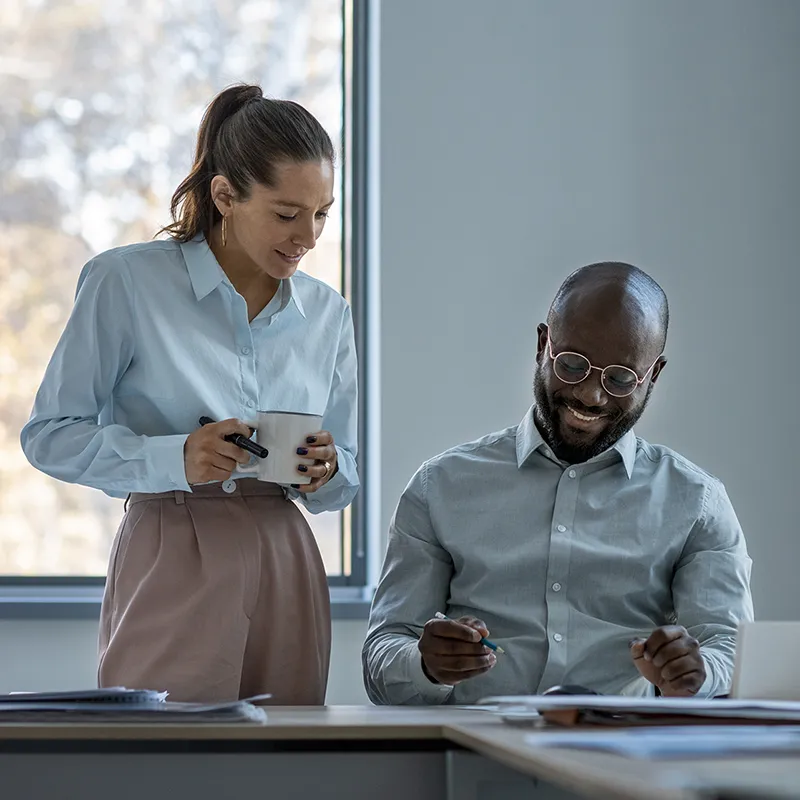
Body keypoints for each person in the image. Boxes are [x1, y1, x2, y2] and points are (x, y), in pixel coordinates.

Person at [21, 84, 359, 705]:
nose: (307, 236)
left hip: (286, 556)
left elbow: (345, 482)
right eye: (287, 214)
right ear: (225, 195)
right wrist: (175, 457)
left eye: (322, 214)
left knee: (286, 766)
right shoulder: (125, 282)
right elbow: (49, 436)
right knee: (159, 759)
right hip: (171, 548)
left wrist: (328, 471)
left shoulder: (329, 314)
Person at [363, 262, 752, 704]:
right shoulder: (441, 486)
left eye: (621, 378)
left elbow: (730, 651)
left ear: (654, 376)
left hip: (622, 763)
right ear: (543, 344)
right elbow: (382, 655)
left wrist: (699, 674)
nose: (591, 395)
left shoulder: (696, 502)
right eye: (572, 365)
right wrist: (425, 666)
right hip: (477, 761)